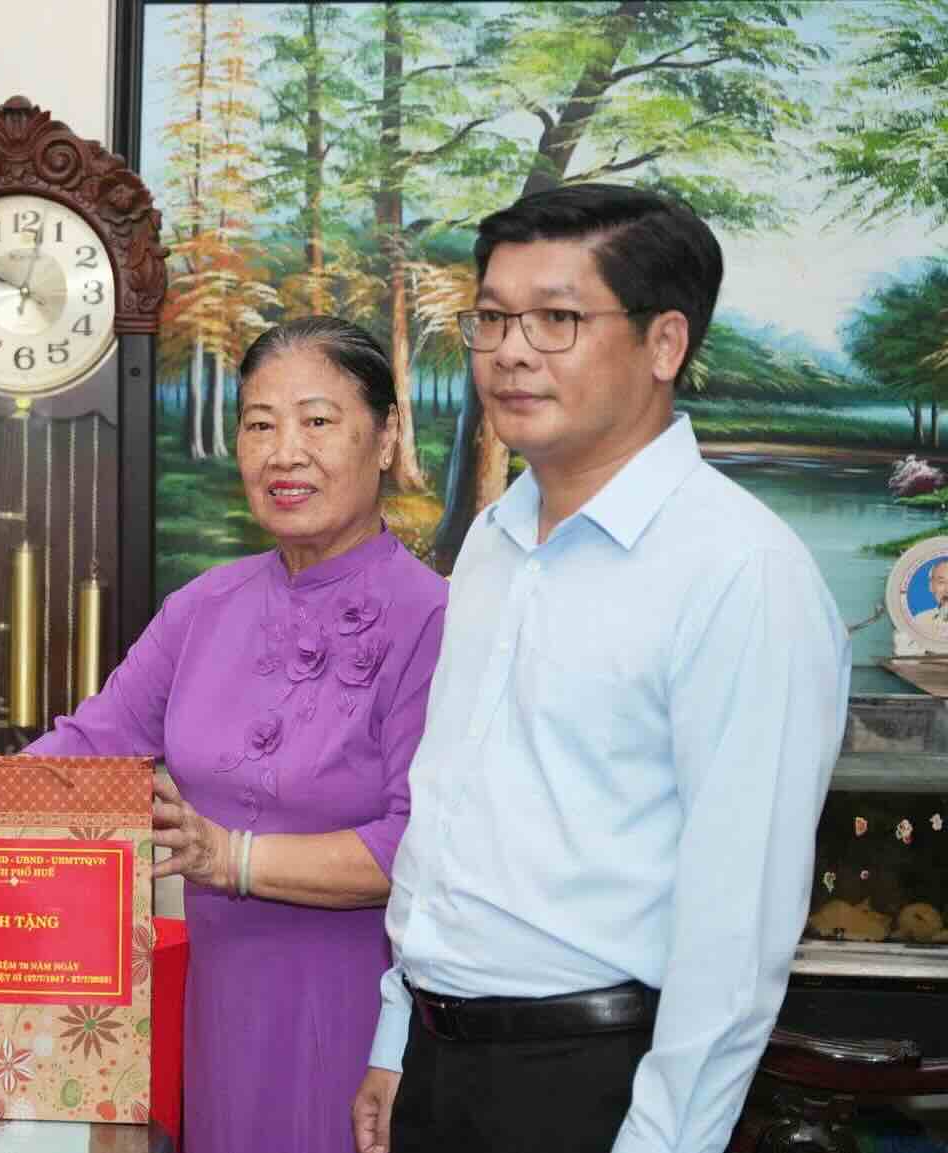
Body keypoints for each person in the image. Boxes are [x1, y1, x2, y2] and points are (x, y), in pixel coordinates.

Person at [350, 183, 849, 1153]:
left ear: (664, 343)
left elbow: (735, 930)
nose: (510, 351)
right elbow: (449, 808)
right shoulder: (494, 540)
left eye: (557, 319)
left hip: (595, 1081)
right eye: (492, 318)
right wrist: (396, 1032)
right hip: (441, 1063)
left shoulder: (740, 573)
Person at [0, 316, 449, 1153]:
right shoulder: (203, 608)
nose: (284, 452)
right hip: (223, 1010)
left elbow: (421, 847)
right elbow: (85, 750)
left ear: (387, 435)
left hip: (363, 1019)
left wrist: (232, 857)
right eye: (259, 424)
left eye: (317, 420)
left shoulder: (433, 619)